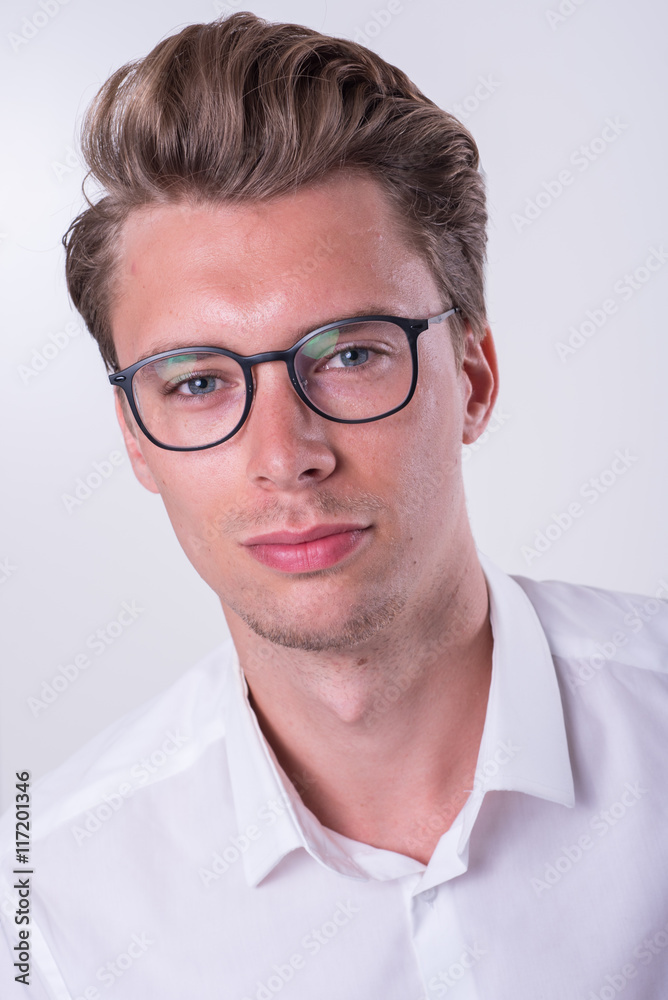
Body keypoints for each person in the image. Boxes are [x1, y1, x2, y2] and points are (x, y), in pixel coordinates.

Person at [1, 12, 667, 999]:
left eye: (350, 354)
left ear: (473, 377)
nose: (284, 457)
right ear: (135, 438)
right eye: (196, 383)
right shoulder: (49, 907)